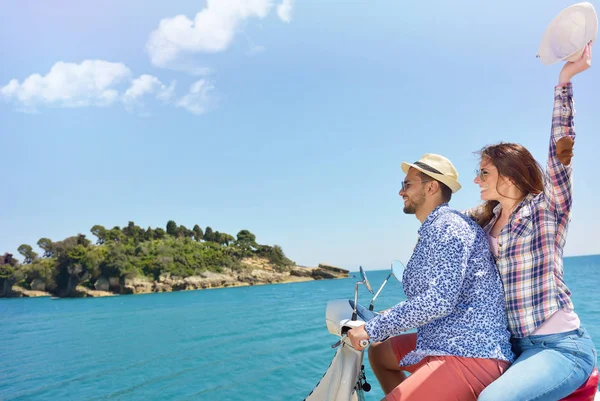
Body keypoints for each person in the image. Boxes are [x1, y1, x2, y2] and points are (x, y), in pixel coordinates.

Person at [468, 42, 597, 401]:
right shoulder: (484, 222)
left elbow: (560, 152)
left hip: (559, 348)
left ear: (508, 176)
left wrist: (565, 81)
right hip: (505, 345)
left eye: (484, 172)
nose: (476, 180)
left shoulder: (546, 209)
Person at [347, 153, 515, 401]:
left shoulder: (449, 227)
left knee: (376, 341)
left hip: (469, 350)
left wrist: (372, 328)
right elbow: (435, 295)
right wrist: (388, 316)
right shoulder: (433, 228)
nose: (400, 192)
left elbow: (439, 300)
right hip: (441, 339)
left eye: (407, 185)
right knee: (380, 353)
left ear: (432, 187)